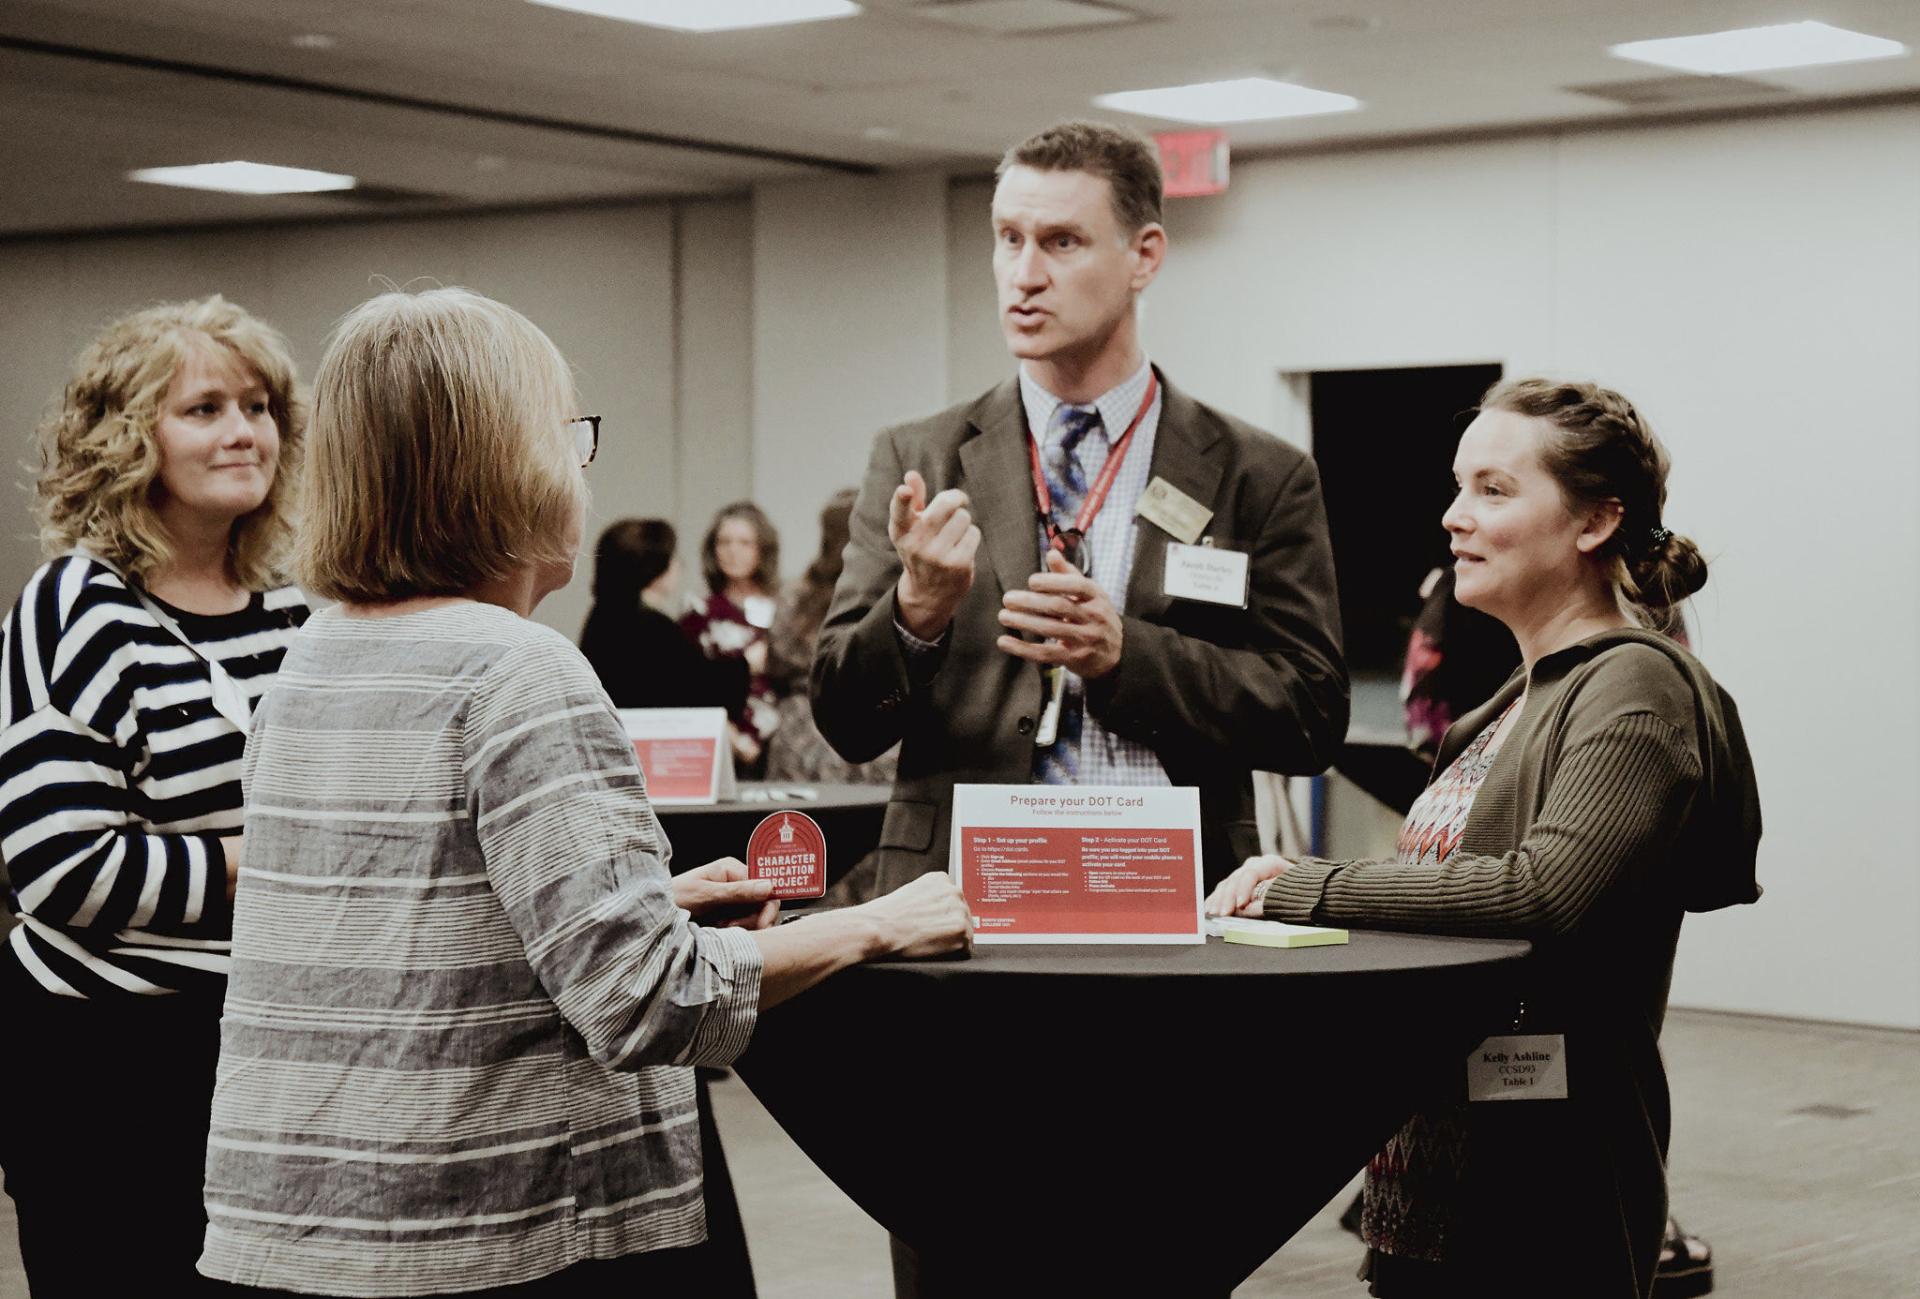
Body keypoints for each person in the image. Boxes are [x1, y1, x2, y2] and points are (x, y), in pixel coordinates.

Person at [197, 287, 973, 1297]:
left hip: (308, 1226)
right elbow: (651, 999)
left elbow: (407, 923)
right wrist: (876, 925)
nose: (582, 467)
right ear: (504, 465)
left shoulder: (314, 662)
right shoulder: (518, 670)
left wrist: (653, 901)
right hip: (491, 1233)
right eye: (571, 434)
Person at [1208, 377, 1762, 1297]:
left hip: (1545, 1188)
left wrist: (1300, 884)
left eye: (1494, 490)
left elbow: (1540, 894)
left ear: (1595, 522)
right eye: (1459, 486)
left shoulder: (1636, 685)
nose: (1454, 517)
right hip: (1439, 1180)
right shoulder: (1505, 705)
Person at [812, 119, 1349, 899]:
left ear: (1145, 256)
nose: (1024, 274)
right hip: (962, 898)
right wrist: (915, 611)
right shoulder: (917, 457)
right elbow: (845, 720)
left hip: (1173, 895)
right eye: (1008, 239)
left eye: (1062, 242)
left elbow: (1310, 714)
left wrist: (1127, 655)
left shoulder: (1258, 474)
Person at [0, 295, 310, 1294]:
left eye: (258, 407)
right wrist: (265, 860)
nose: (243, 432)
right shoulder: (76, 607)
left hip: (265, 1041)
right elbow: (56, 866)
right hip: (108, 1059)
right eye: (205, 409)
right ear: (129, 439)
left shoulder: (297, 610)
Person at [765, 489, 898, 785]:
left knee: (808, 828)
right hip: (876, 730)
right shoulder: (894, 593)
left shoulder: (794, 596)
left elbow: (776, 666)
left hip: (801, 734)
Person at [579, 517, 749, 714]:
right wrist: (747, 664)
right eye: (671, 557)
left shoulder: (600, 619)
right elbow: (700, 690)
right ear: (655, 567)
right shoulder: (653, 628)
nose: (678, 565)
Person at [682, 502, 782, 775]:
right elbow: (690, 687)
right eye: (724, 542)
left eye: (744, 543)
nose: (732, 551)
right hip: (728, 742)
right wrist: (733, 738)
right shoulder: (700, 613)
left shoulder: (786, 607)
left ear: (763, 549)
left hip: (784, 742)